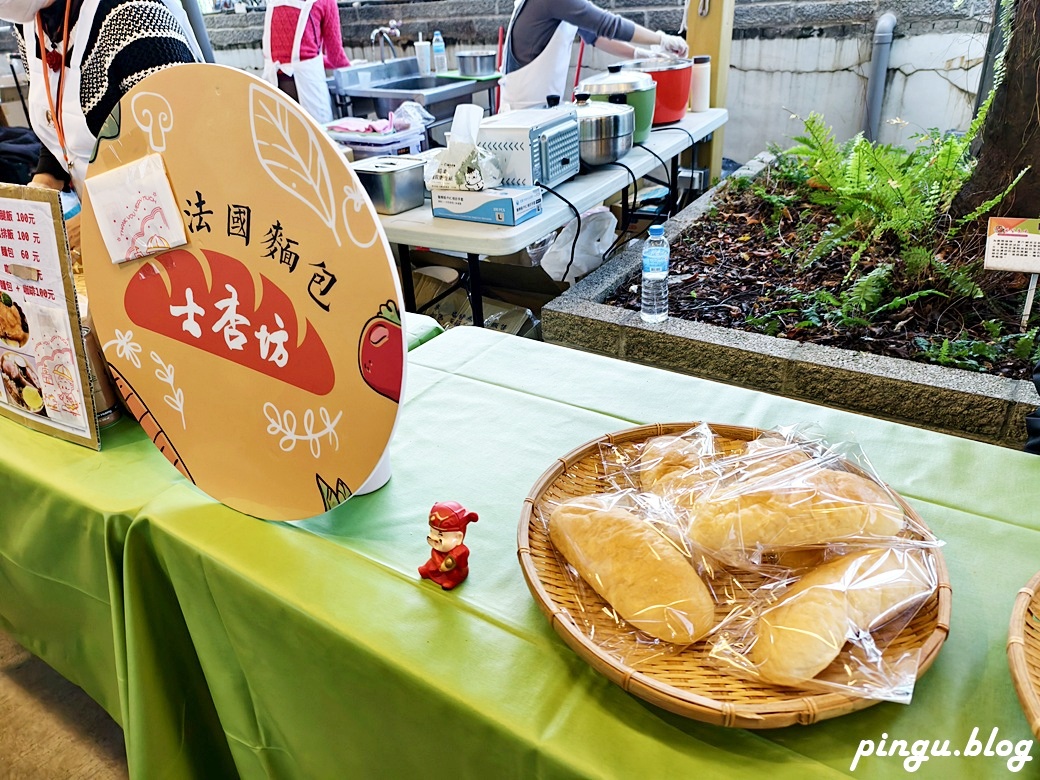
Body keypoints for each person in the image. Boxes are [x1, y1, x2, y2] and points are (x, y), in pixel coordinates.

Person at [0, 0, 202, 250]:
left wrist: (95, 223)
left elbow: (184, 152)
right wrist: (43, 184)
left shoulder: (132, 14)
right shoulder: (30, 23)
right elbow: (57, 121)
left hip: (176, 228)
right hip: (115, 237)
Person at [499, 0, 688, 111]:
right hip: (522, 118)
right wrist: (660, 38)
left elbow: (595, 36)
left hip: (540, 112)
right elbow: (608, 24)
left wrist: (641, 55)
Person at [261, 0, 349, 125]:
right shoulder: (326, 2)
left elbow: (291, 55)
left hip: (275, 85)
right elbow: (336, 58)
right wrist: (355, 69)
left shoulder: (274, 2)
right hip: (308, 86)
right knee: (318, 138)